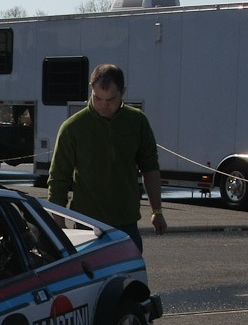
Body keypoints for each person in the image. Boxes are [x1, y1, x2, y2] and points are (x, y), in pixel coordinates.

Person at [47, 64, 166, 251]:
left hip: (126, 223)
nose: (103, 105)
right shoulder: (72, 128)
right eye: (97, 98)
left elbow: (150, 168)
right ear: (91, 88)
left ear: (123, 92)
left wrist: (156, 211)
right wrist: (58, 222)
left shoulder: (137, 122)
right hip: (87, 224)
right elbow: (58, 178)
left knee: (131, 270)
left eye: (110, 99)